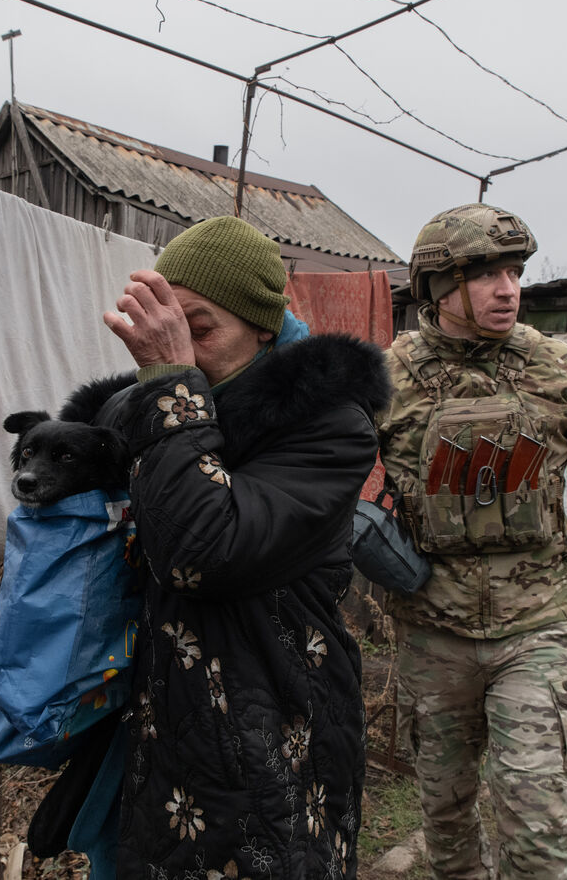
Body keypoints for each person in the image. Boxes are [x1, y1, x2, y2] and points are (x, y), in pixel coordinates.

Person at [95, 215, 391, 879]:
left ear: (262, 327)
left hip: (274, 734)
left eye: (199, 330)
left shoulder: (327, 424)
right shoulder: (161, 404)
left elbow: (202, 552)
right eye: (170, 331)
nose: (184, 351)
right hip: (164, 731)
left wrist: (169, 384)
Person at [375, 203, 567, 879]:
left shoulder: (557, 368)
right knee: (445, 820)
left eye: (514, 273)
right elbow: (327, 480)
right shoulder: (388, 377)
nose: (507, 289)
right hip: (431, 630)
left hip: (533, 629)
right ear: (438, 286)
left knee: (536, 820)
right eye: (485, 275)